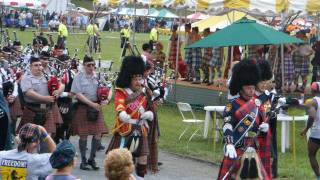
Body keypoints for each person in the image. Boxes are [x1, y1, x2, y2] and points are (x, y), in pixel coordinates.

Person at [217, 59, 271, 180]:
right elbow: (227, 125)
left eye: (253, 88)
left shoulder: (258, 105)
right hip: (237, 148)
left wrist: (265, 129)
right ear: (240, 88)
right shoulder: (232, 105)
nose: (251, 91)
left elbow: (259, 128)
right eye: (248, 88)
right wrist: (229, 143)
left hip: (253, 150)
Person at [106, 56, 153, 179]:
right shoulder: (122, 91)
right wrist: (122, 114)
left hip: (141, 128)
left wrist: (150, 114)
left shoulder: (145, 92)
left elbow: (150, 108)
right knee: (123, 159)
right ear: (128, 78)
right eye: (135, 79)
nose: (138, 82)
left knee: (143, 157)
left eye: (140, 78)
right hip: (125, 129)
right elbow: (119, 105)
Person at [70, 55, 108, 170]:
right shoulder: (78, 77)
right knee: (84, 134)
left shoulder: (98, 76)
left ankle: (92, 159)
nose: (91, 67)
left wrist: (106, 99)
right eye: (88, 65)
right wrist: (92, 104)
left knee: (98, 133)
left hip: (96, 107)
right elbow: (78, 94)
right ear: (83, 65)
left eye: (93, 65)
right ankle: (83, 160)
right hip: (83, 107)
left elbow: (107, 88)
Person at [19, 56, 64, 151]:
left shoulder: (48, 76)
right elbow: (29, 93)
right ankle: (28, 160)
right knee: (29, 141)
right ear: (30, 67)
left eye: (40, 65)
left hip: (47, 111)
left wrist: (58, 91)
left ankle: (43, 161)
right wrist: (45, 99)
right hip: (32, 110)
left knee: (46, 138)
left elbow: (61, 85)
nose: (39, 67)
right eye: (36, 65)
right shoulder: (26, 78)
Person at [301, 84, 320, 180]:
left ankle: (318, 177)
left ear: (312, 91)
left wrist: (306, 129)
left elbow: (311, 117)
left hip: (317, 134)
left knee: (312, 154)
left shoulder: (313, 102)